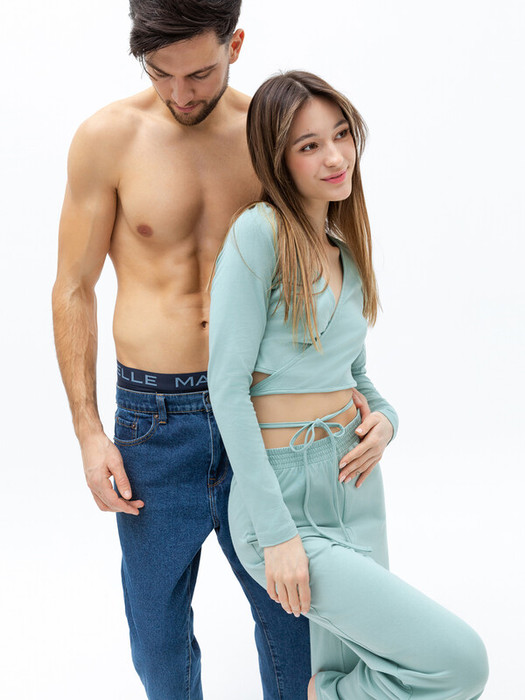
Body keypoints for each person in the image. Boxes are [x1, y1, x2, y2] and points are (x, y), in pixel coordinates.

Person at [51, 2, 313, 698]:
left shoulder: (274, 135)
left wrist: (353, 392)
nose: (180, 93)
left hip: (262, 408)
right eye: (158, 72)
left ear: (236, 43)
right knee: (157, 645)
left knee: (295, 624)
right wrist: (88, 431)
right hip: (154, 419)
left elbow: (322, 274)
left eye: (198, 73)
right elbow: (73, 287)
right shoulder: (107, 139)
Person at [208, 71, 489, 699]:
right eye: (309, 145)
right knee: (459, 664)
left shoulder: (346, 250)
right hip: (282, 494)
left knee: (363, 669)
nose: (335, 157)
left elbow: (355, 375)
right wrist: (277, 535)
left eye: (341, 135)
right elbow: (226, 389)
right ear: (277, 159)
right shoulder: (258, 232)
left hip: (354, 480)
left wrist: (387, 421)